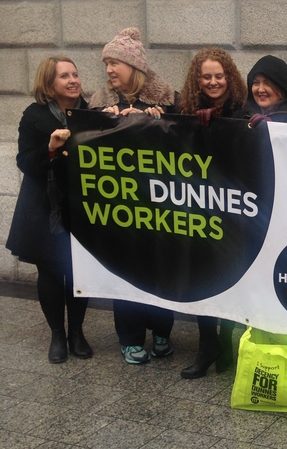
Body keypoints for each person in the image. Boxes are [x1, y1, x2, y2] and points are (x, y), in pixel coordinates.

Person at [89, 27, 177, 364]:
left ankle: (162, 332)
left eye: (115, 63)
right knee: (124, 272)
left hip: (157, 206)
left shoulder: (168, 100)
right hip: (118, 207)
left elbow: (185, 147)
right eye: (107, 64)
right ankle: (129, 338)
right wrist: (101, 124)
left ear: (135, 67)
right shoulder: (97, 104)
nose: (109, 70)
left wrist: (160, 122)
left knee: (159, 269)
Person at [7, 56, 92, 363]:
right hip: (46, 205)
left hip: (82, 205)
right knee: (51, 271)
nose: (73, 80)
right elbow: (25, 162)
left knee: (79, 271)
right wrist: (51, 149)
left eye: (75, 74)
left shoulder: (91, 113)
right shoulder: (34, 116)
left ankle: (77, 333)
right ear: (49, 84)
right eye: (64, 76)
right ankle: (57, 333)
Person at [176, 47, 247, 378]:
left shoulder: (243, 112)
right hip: (199, 211)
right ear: (197, 80)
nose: (214, 82)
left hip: (234, 213)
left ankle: (226, 343)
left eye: (219, 75)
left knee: (231, 280)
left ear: (229, 77)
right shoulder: (186, 113)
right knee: (203, 279)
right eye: (207, 76)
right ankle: (207, 348)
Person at [234, 55, 287, 125]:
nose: (260, 89)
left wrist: (270, 127)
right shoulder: (240, 117)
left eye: (267, 83)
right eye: (256, 83)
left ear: (281, 88)